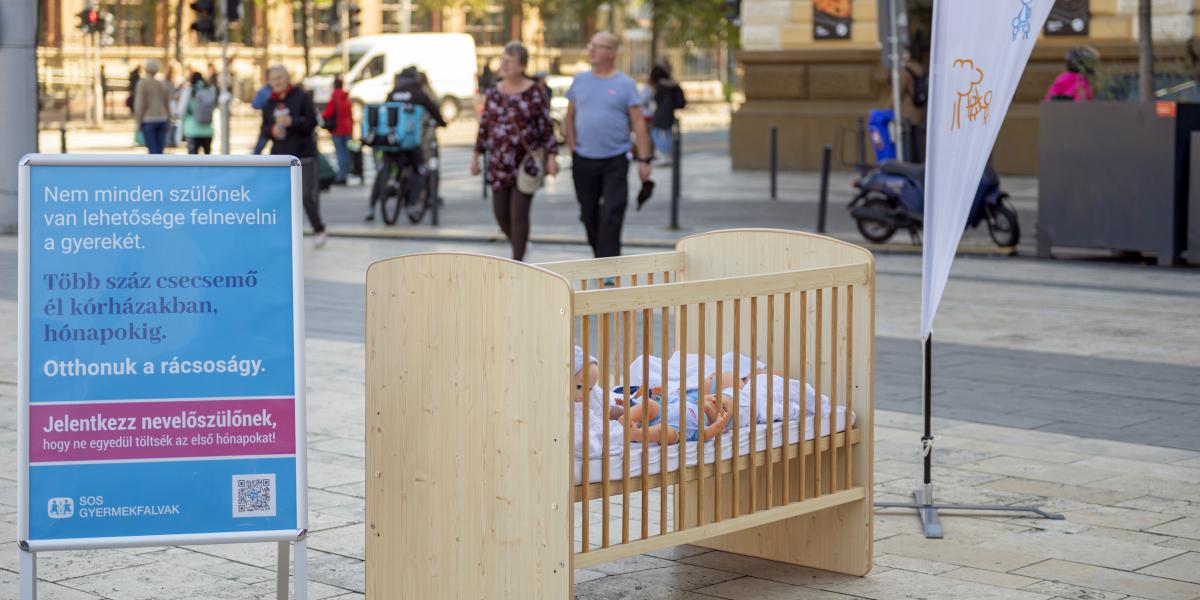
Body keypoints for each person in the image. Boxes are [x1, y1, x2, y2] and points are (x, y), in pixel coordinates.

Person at [565, 32, 653, 260]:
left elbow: (638, 124)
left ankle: (610, 266)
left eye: (598, 46)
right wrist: (572, 147)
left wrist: (644, 160)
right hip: (583, 159)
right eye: (590, 45)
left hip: (615, 159)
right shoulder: (580, 80)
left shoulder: (625, 84)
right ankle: (601, 257)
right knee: (588, 214)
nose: (591, 50)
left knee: (612, 213)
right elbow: (569, 117)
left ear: (612, 52)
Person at [471, 41, 559, 262]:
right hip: (499, 161)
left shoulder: (534, 92)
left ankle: (517, 261)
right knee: (501, 213)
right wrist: (475, 156)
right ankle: (521, 244)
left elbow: (546, 126)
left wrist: (551, 157)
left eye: (510, 61)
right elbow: (485, 127)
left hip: (525, 162)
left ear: (522, 65)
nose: (504, 65)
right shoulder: (493, 92)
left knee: (518, 212)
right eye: (503, 60)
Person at [260, 65, 327, 247]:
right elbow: (264, 130)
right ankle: (283, 233)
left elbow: (313, 121)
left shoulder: (301, 97)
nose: (277, 82)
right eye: (273, 79)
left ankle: (318, 228)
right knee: (279, 197)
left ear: (287, 78)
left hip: (303, 155)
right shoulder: (269, 104)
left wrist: (294, 122)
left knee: (305, 195)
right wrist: (271, 130)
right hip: (280, 159)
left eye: (280, 78)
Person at [369, 66, 447, 220]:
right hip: (410, 142)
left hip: (391, 141)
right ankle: (412, 202)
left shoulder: (393, 92)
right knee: (419, 169)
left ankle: (386, 189)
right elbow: (433, 110)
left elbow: (385, 112)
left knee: (385, 167)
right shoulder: (418, 93)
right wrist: (442, 123)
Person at [649, 63, 686, 166]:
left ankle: (665, 156)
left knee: (657, 134)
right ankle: (668, 156)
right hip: (670, 113)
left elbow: (656, 98)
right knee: (667, 135)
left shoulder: (660, 85)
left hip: (661, 113)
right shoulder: (673, 84)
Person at [133, 59, 173, 154]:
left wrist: (138, 121)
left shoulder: (142, 84)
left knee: (152, 150)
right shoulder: (162, 84)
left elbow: (140, 104)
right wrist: (169, 119)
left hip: (148, 119)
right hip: (162, 118)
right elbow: (166, 103)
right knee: (160, 150)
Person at [900, 40, 930, 163]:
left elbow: (899, 91)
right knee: (918, 140)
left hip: (908, 111)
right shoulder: (920, 68)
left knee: (908, 141)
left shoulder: (906, 71)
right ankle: (919, 162)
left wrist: (888, 107)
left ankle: (911, 164)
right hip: (919, 110)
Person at [322, 76, 354, 184]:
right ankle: (345, 174)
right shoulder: (346, 97)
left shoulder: (334, 96)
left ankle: (341, 176)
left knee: (340, 153)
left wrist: (322, 115)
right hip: (347, 128)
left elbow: (328, 113)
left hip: (338, 129)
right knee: (345, 152)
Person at [179, 72, 217, 154]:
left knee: (192, 161)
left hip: (192, 130)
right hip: (208, 131)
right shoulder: (210, 90)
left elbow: (181, 111)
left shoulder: (189, 91)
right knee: (207, 160)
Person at [250, 83, 273, 154]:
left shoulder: (263, 91)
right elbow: (255, 105)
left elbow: (255, 105)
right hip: (268, 126)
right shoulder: (264, 91)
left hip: (268, 125)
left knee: (258, 150)